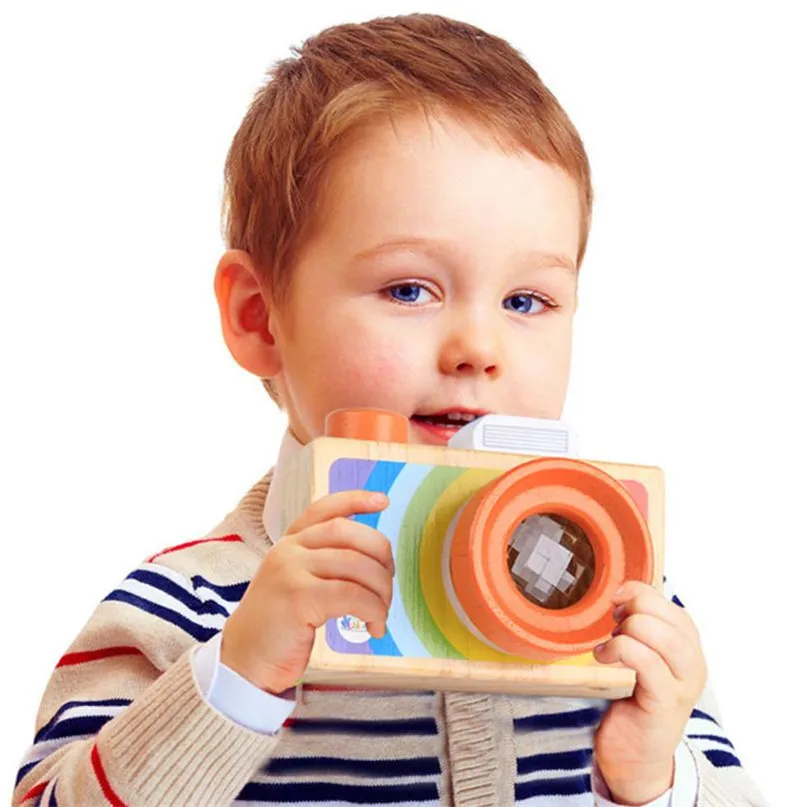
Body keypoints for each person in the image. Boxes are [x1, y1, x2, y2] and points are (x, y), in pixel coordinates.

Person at [13, 13, 768, 807]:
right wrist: (235, 681)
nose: (478, 346)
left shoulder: (610, 600)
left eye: (525, 300)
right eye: (409, 289)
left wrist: (656, 780)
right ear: (259, 317)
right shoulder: (185, 608)